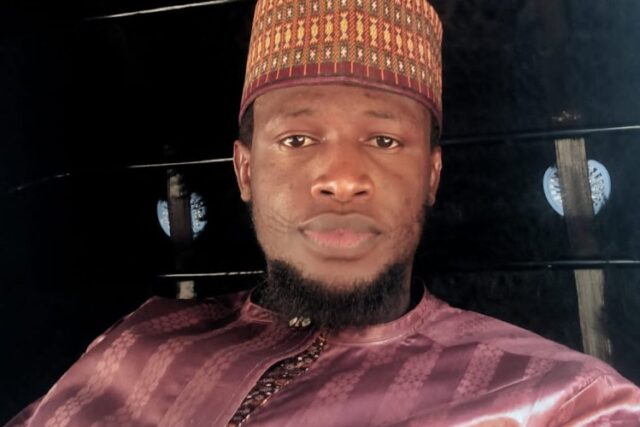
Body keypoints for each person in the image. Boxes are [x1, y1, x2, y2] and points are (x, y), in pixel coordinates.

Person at [8, 0, 640, 425]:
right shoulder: (139, 339)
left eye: (384, 140)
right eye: (297, 139)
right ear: (246, 172)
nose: (341, 180)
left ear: (431, 175)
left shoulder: (564, 399)